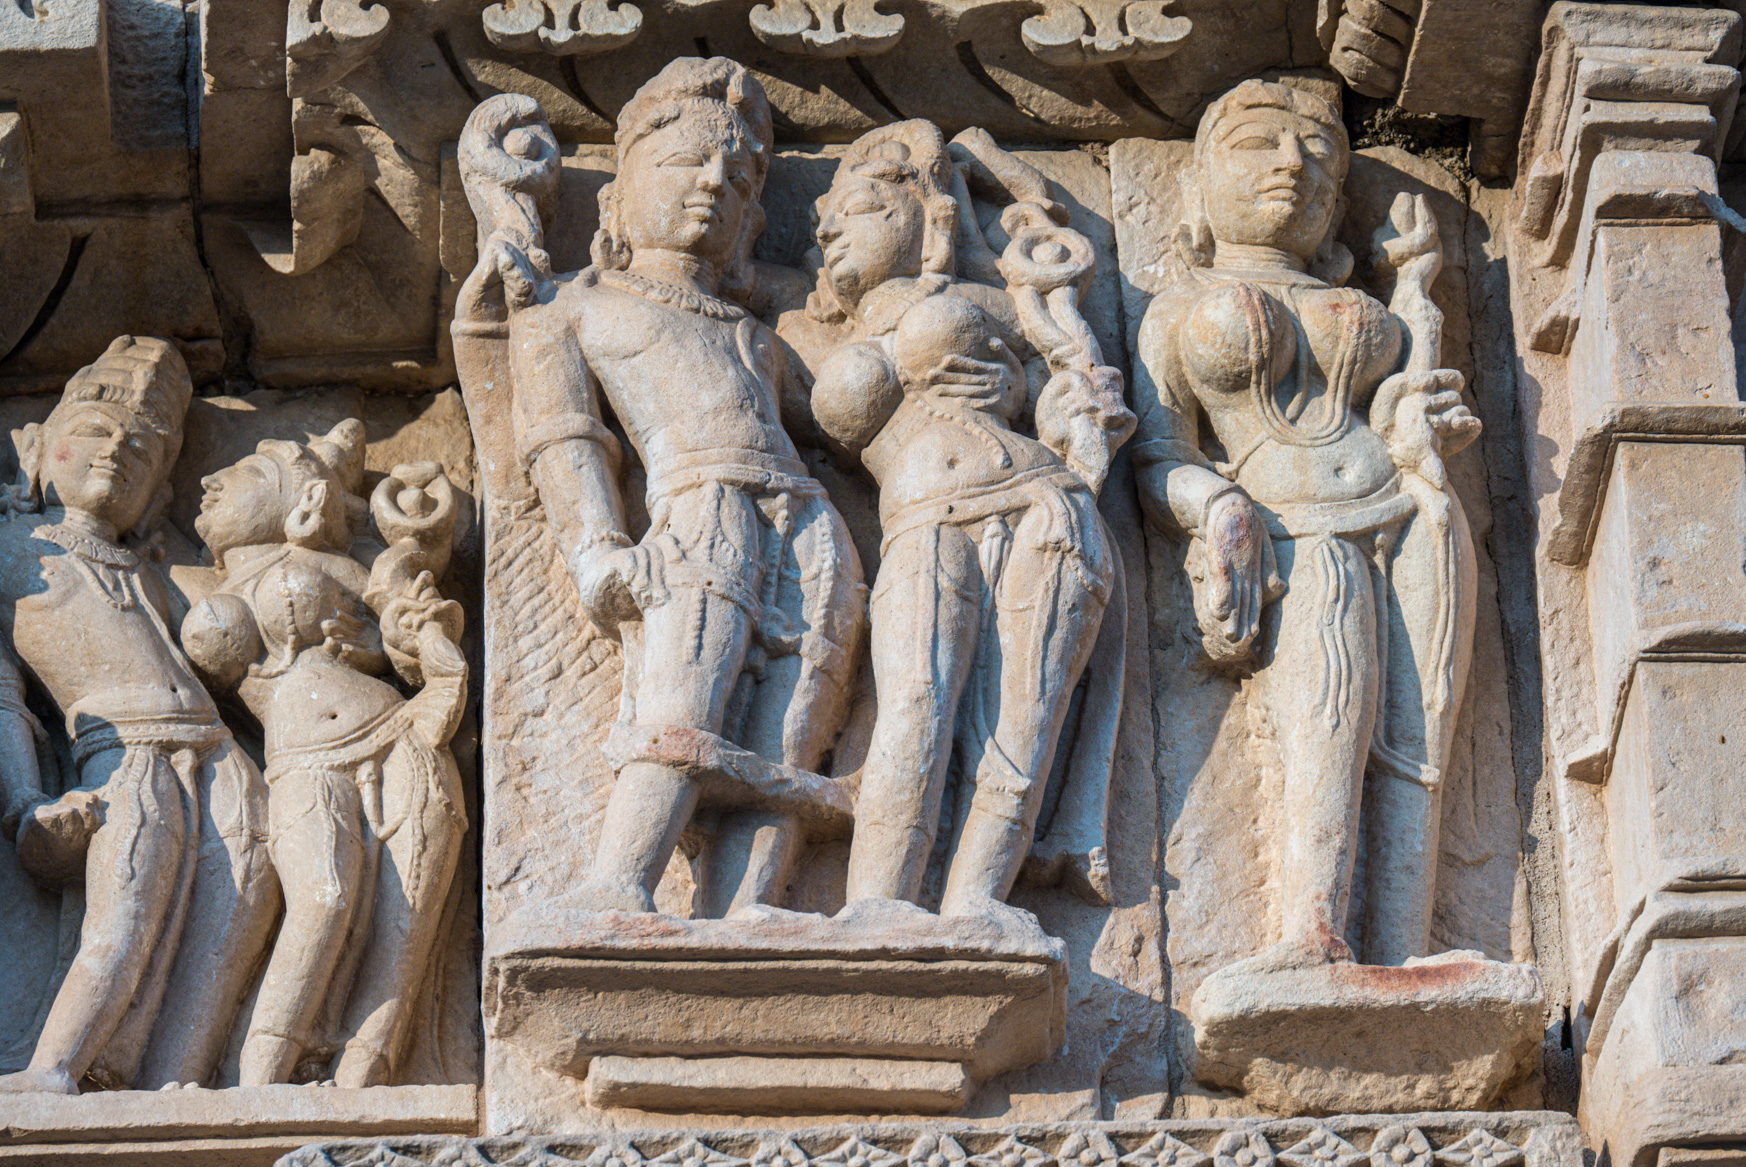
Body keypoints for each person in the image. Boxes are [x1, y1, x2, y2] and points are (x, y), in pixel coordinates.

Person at [480, 57, 864, 918]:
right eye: (686, 160)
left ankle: (747, 908)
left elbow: (846, 423)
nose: (713, 184)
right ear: (620, 193)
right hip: (698, 515)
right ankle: (617, 887)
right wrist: (596, 548)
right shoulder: (572, 308)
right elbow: (563, 441)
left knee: (792, 723)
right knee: (682, 701)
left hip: (808, 523)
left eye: (738, 178)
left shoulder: (756, 334)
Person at [1131, 80, 1481, 967]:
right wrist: (1216, 505)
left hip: (1411, 505)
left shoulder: (1365, 296)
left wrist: (1418, 384)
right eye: (1258, 143)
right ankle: (1309, 935)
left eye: (1320, 151)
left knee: (1421, 728)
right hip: (1296, 528)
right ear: (1200, 180)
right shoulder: (1176, 308)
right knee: (1328, 722)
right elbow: (1158, 457)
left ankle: (1404, 950)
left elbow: (1399, 398)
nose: (1293, 164)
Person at [798, 121, 1133, 919]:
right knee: (914, 706)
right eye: (826, 223)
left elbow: (1083, 383)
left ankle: (976, 905)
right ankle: (875, 911)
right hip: (922, 520)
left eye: (865, 209)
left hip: (1042, 505)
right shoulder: (797, 333)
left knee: (1021, 723)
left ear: (931, 216)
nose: (835, 231)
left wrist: (1042, 395)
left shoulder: (988, 300)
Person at [0, 336, 277, 1093]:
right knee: (125, 913)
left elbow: (242, 636)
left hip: (220, 754)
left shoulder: (154, 570)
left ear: (158, 491)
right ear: (35, 447)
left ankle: (180, 1081)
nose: (116, 453)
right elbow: (4, 702)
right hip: (127, 757)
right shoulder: (15, 552)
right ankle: (52, 1070)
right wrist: (25, 802)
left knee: (242, 906)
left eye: (143, 450)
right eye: (95, 431)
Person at [185, 422, 467, 1086]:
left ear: (303, 502)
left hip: (402, 734)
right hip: (303, 756)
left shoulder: (343, 566)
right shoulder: (186, 583)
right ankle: (258, 1083)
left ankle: (363, 1081)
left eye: (247, 476)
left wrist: (390, 637)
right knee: (324, 898)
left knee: (406, 921)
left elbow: (403, 625)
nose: (209, 480)